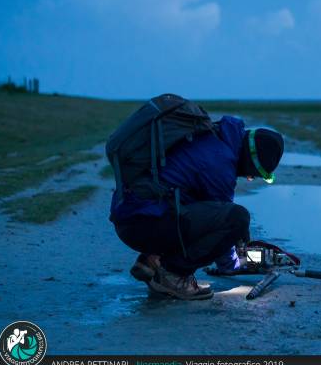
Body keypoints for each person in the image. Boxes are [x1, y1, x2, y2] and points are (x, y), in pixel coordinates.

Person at [109, 115, 284, 300]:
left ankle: (152, 261)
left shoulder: (211, 138)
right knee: (237, 218)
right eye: (253, 174)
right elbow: (224, 222)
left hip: (131, 218)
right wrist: (235, 265)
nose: (249, 178)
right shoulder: (220, 161)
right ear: (250, 159)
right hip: (144, 223)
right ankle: (173, 276)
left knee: (199, 211)